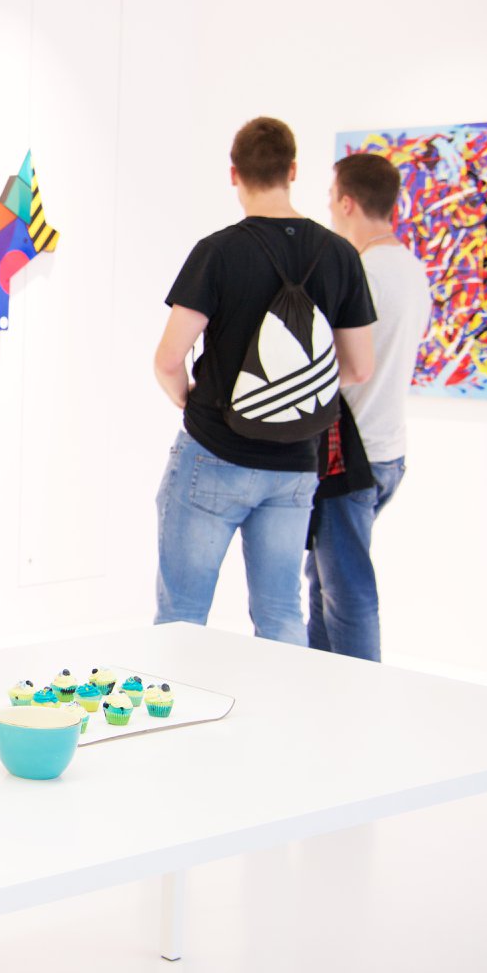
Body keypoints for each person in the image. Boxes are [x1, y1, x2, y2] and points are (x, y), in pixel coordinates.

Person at [151, 116, 377, 643]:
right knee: (280, 614)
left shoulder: (218, 252)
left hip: (214, 451)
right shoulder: (340, 255)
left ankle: (175, 700)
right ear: (293, 170)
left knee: (182, 616)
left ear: (234, 174)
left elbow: (168, 359)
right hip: (296, 462)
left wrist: (192, 401)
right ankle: (287, 700)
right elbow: (360, 367)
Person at [305, 153, 431, 660]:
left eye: (330, 198)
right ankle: (319, 682)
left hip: (352, 458)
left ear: (347, 202)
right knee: (325, 580)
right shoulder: (413, 270)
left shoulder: (362, 272)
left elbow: (342, 365)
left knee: (346, 591)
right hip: (388, 450)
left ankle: (358, 691)